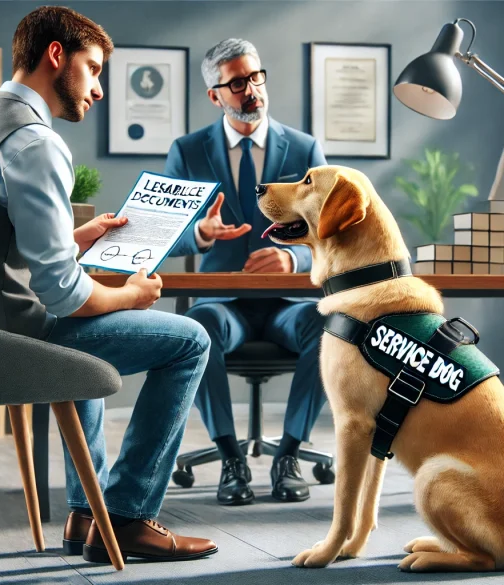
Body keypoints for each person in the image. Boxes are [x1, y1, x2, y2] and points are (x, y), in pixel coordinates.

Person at [0, 6, 217, 563]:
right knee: (190, 340)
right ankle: (129, 516)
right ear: (56, 56)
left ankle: (89, 514)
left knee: (88, 326)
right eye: (94, 68)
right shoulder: (35, 142)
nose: (99, 89)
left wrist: (74, 236)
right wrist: (132, 295)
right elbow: (64, 294)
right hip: (8, 339)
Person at [164, 38, 329, 506]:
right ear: (215, 95)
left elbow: (328, 235)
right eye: (237, 82)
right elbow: (163, 240)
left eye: (256, 77)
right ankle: (230, 456)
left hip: (289, 307)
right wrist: (199, 234)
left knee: (331, 325)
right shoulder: (188, 152)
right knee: (198, 328)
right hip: (224, 305)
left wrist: (293, 258)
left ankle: (290, 454)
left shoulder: (303, 148)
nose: (252, 89)